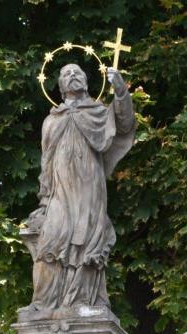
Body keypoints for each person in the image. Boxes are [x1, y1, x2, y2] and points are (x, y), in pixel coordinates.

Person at [21, 62, 135, 314]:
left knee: (87, 242)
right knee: (51, 239)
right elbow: (46, 161)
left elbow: (125, 124)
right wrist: (44, 200)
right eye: (66, 74)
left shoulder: (98, 112)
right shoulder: (52, 120)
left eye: (77, 72)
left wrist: (120, 91)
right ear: (60, 86)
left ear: (86, 80)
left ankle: (83, 301)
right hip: (59, 191)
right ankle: (43, 303)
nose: (72, 75)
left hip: (88, 190)